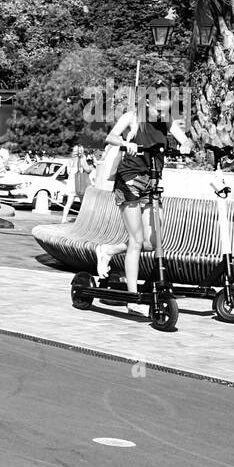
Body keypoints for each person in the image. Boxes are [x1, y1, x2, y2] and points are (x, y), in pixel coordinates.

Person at [93, 91, 193, 308]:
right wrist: (124, 143)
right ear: (148, 102)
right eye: (159, 108)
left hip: (152, 182)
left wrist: (186, 145)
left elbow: (186, 140)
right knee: (136, 241)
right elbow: (110, 137)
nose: (162, 113)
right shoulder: (132, 117)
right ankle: (133, 298)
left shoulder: (167, 121)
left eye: (166, 108)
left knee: (153, 242)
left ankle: (108, 250)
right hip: (129, 180)